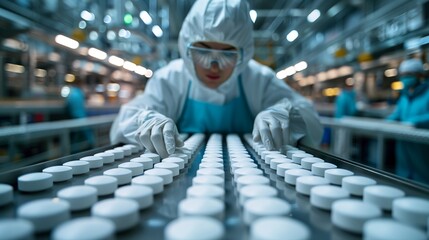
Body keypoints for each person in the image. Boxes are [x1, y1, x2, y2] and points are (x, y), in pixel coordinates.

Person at [110, 0, 323, 158]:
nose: (213, 65)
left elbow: (310, 119)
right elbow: (124, 122)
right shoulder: (171, 79)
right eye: (203, 51)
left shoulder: (259, 79)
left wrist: (287, 116)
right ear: (186, 47)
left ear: (243, 54)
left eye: (227, 54)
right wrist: (145, 122)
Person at [386, 58, 429, 185]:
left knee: (422, 178)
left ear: (420, 75)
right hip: (403, 142)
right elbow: (397, 114)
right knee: (403, 178)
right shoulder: (404, 96)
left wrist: (413, 121)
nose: (405, 78)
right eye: (403, 75)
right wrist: (386, 122)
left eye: (408, 75)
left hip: (421, 144)